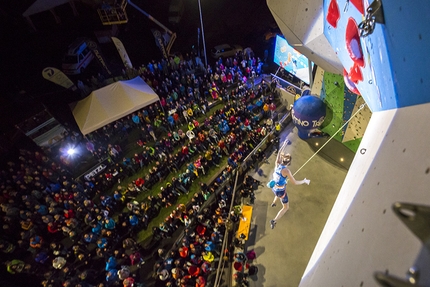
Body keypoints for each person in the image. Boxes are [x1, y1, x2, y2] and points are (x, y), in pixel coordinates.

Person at [269, 153, 310, 229]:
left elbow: (278, 155)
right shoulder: (286, 171)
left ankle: (274, 202)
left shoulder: (277, 164)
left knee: (280, 190)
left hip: (274, 188)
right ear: (289, 163)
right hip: (280, 191)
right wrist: (304, 181)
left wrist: (284, 145)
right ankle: (274, 221)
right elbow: (295, 182)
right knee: (286, 207)